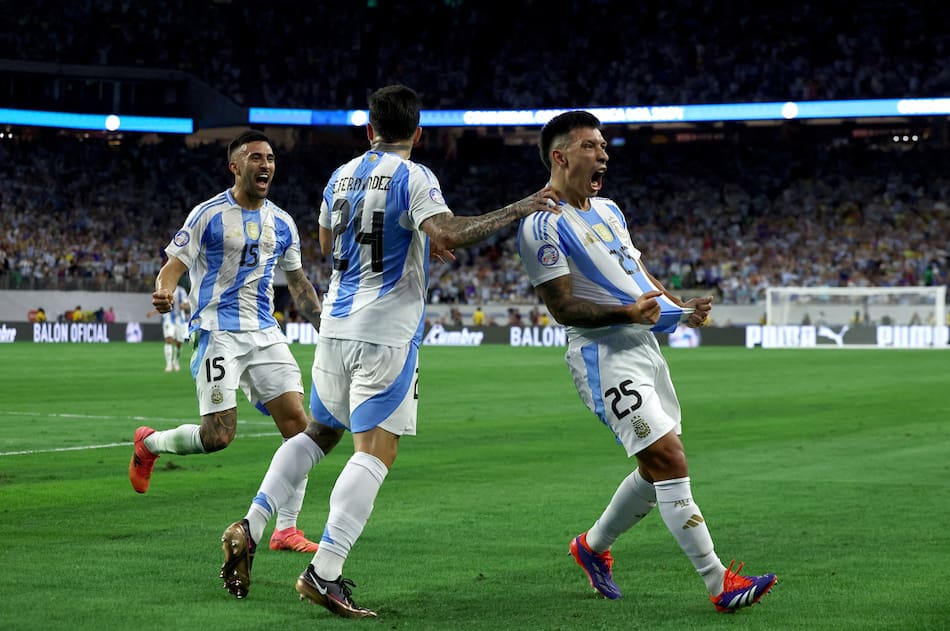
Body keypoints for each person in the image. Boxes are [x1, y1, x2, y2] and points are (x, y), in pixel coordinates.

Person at [218, 84, 557, 616]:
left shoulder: (340, 175)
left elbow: (328, 246)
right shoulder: (415, 175)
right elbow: (448, 230)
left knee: (319, 432)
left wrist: (406, 235)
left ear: (368, 131)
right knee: (375, 450)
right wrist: (519, 207)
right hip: (386, 331)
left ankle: (251, 524)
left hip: (335, 322)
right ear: (418, 133)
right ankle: (323, 572)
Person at [515, 110, 776, 612]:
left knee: (658, 466)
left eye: (604, 145)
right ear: (560, 155)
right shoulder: (540, 225)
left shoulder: (609, 210)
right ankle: (720, 582)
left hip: (643, 347)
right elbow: (562, 306)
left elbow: (636, 270)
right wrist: (626, 312)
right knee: (667, 459)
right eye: (592, 145)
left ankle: (590, 549)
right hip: (602, 354)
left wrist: (676, 307)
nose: (604, 154)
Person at [129, 130, 325, 555]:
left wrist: (323, 325)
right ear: (235, 166)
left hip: (265, 333)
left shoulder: (283, 222)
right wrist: (163, 291)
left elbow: (298, 283)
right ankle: (149, 444)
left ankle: (285, 530)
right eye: (255, 157)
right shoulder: (207, 215)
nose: (266, 164)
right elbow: (173, 266)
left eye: (270, 157)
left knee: (301, 429)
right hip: (218, 331)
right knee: (218, 436)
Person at [146, 283, 190, 372]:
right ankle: (169, 364)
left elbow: (187, 305)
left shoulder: (181, 290)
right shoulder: (164, 291)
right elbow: (161, 305)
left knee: (179, 343)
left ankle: (176, 361)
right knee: (168, 339)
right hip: (168, 319)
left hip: (179, 320)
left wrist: (184, 306)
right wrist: (152, 313)